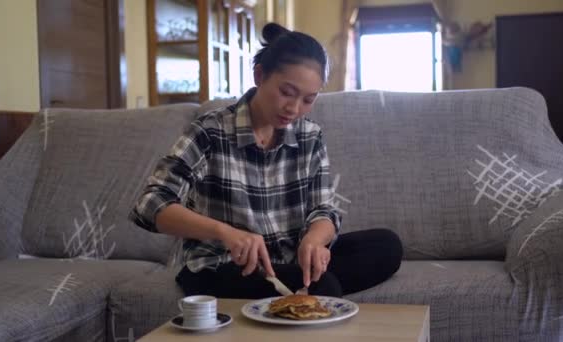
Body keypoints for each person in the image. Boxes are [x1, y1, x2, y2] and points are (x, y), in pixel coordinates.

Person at [130, 23, 402, 299]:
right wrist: (226, 233)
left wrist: (314, 240)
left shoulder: (310, 135)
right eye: (287, 92)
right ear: (259, 75)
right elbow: (150, 204)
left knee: (386, 246)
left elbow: (324, 209)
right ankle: (309, 291)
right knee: (323, 287)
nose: (294, 109)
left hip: (288, 258)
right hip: (223, 264)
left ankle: (302, 289)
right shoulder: (210, 131)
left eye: (308, 99)